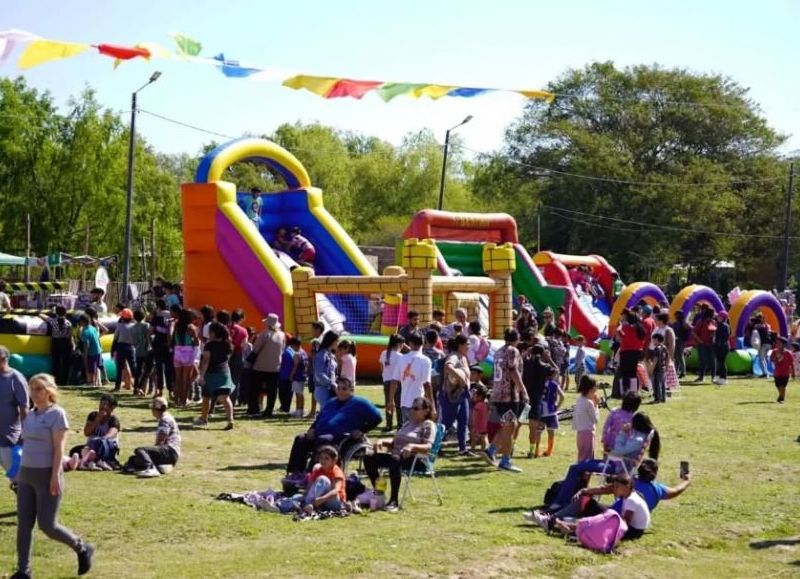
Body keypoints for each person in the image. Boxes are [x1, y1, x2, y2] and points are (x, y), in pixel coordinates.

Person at [14, 374, 94, 578]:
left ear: (49, 391)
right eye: (32, 389)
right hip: (26, 474)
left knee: (47, 526)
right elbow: (26, 445)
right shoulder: (31, 415)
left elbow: (58, 449)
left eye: (39, 389)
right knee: (23, 526)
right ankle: (24, 571)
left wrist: (55, 476)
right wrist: (17, 474)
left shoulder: (57, 414)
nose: (34, 393)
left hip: (46, 473)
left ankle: (82, 547)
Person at [548, 412, 661, 510]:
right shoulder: (641, 436)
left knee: (575, 468)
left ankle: (560, 502)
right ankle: (565, 499)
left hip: (617, 466)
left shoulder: (637, 439)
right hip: (618, 463)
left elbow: (618, 451)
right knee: (578, 467)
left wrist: (622, 433)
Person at [285, 376, 382, 476]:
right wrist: (312, 429)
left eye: (344, 389)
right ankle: (295, 473)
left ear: (351, 390)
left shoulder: (360, 403)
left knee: (324, 442)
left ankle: (311, 474)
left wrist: (362, 430)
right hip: (320, 435)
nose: (340, 391)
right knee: (300, 439)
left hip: (342, 438)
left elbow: (378, 418)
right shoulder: (331, 402)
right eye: (338, 388)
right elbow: (319, 419)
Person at [363, 396, 437, 512]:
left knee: (394, 460)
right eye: (411, 408)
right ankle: (379, 492)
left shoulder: (428, 425)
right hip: (396, 456)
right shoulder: (408, 423)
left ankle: (394, 501)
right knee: (369, 457)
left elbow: (428, 446)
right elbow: (395, 441)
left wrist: (412, 446)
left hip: (415, 459)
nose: (412, 411)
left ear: (426, 410)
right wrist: (382, 441)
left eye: (416, 408)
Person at [485, 328, 529, 472]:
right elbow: (513, 370)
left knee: (508, 425)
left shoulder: (498, 352)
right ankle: (505, 460)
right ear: (516, 338)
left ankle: (491, 450)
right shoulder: (512, 351)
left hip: (498, 394)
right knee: (510, 427)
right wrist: (523, 389)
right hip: (509, 395)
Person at [122, 397, 181, 478]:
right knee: (133, 459)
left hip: (169, 452)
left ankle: (150, 468)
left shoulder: (165, 420)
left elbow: (160, 442)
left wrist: (153, 452)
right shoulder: (165, 418)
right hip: (170, 453)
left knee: (140, 450)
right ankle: (150, 466)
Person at [388, 333, 435, 426]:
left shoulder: (402, 359)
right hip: (419, 404)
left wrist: (390, 400)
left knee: (407, 430)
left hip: (404, 402)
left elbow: (394, 381)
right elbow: (427, 384)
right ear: (423, 343)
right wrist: (432, 405)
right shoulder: (426, 360)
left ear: (409, 343)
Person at [195, 322, 235, 429]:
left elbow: (206, 361)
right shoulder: (227, 344)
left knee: (206, 397)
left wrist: (201, 375)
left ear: (213, 333)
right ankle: (230, 419)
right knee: (225, 398)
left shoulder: (209, 345)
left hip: (211, 374)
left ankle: (204, 418)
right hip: (225, 373)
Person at [248, 313, 286, 418]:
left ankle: (253, 408)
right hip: (275, 367)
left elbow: (256, 349)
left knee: (255, 388)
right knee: (272, 391)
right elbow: (282, 350)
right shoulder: (282, 335)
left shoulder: (264, 334)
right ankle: (269, 410)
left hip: (260, 366)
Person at [441, 335, 472, 456]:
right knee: (447, 423)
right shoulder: (453, 356)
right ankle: (434, 447)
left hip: (462, 394)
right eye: (467, 344)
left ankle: (463, 448)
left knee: (463, 421)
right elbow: (448, 366)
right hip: (452, 395)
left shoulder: (463, 357)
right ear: (460, 345)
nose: (469, 346)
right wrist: (460, 378)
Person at [71, 394, 121, 471]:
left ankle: (94, 461)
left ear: (112, 407)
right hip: (91, 447)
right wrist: (97, 419)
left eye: (105, 404)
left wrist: (97, 441)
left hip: (106, 448)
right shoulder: (93, 416)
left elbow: (110, 435)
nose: (102, 407)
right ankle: (91, 462)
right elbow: (87, 433)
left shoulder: (113, 420)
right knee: (75, 450)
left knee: (101, 442)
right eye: (101, 403)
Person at [524, 343, 556, 459]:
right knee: (533, 429)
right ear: (542, 354)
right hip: (536, 400)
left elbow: (522, 360)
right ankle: (531, 451)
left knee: (516, 426)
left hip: (524, 399)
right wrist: (549, 359)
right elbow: (556, 371)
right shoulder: (545, 366)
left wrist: (526, 353)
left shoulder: (526, 363)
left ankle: (511, 447)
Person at [0, 346, 28, 479]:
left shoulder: (15, 378)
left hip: (9, 438)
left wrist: (25, 432)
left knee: (17, 479)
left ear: (3, 359)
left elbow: (24, 408)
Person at [532, 366, 564, 458]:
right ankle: (549, 451)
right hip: (551, 411)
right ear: (553, 375)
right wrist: (557, 407)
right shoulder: (554, 384)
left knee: (538, 431)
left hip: (541, 411)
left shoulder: (540, 383)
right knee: (551, 432)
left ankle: (536, 451)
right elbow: (562, 396)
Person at [302, 446, 346, 513]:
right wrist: (304, 496)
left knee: (323, 479)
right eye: (321, 458)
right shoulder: (318, 470)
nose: (323, 461)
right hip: (320, 501)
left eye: (326, 458)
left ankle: (306, 505)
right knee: (298, 497)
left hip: (335, 502)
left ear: (334, 460)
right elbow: (309, 487)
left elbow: (336, 491)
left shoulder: (336, 471)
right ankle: (307, 505)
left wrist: (321, 499)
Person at [172, 309, 200, 407]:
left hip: (177, 351)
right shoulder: (191, 327)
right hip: (188, 351)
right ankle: (184, 401)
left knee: (178, 378)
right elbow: (196, 342)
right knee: (186, 379)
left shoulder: (176, 325)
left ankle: (176, 400)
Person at [40, 306, 73, 386]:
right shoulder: (69, 323)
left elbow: (41, 315)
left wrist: (50, 312)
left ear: (56, 313)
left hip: (56, 342)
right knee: (66, 363)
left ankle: (56, 380)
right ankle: (65, 381)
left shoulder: (53, 321)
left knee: (56, 362)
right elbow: (70, 335)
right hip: (66, 343)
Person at [601, 391, 642, 456]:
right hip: (624, 447)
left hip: (610, 444)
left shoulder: (614, 412)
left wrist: (604, 440)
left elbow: (606, 427)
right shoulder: (634, 417)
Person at [379, 334, 405, 431]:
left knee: (388, 403)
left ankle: (388, 424)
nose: (403, 346)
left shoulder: (384, 353)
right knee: (399, 404)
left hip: (387, 381)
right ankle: (400, 424)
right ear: (399, 344)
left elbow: (381, 366)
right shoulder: (401, 356)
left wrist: (384, 375)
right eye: (403, 344)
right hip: (398, 382)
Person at [149, 299, 173, 398]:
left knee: (159, 368)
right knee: (169, 369)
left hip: (158, 344)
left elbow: (150, 331)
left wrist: (150, 341)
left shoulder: (157, 317)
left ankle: (160, 391)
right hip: (169, 345)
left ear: (158, 306)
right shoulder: (171, 316)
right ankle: (171, 391)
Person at [617, 312, 646, 394]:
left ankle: (625, 391)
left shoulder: (625, 327)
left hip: (626, 351)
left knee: (625, 373)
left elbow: (619, 337)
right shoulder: (640, 328)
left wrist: (619, 325)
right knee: (633, 372)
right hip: (637, 352)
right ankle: (634, 391)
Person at [573, 376, 600, 461]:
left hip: (580, 433)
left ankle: (580, 473)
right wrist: (596, 405)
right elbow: (595, 419)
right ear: (592, 389)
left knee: (581, 457)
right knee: (587, 459)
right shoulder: (589, 403)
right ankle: (583, 474)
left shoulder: (579, 399)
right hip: (588, 433)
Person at [311, 330, 339, 411]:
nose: (338, 343)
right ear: (332, 341)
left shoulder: (330, 354)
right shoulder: (321, 355)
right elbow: (319, 373)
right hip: (323, 389)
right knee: (326, 414)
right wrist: (332, 384)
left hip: (329, 389)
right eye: (337, 341)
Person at [111, 308, 137, 392]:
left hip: (121, 346)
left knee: (119, 368)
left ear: (122, 318)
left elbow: (115, 338)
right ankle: (137, 387)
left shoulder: (120, 326)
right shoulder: (134, 326)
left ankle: (117, 387)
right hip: (131, 347)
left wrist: (112, 350)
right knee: (133, 367)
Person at [227, 309, 248, 404]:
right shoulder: (243, 331)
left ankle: (220, 400)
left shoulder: (225, 327)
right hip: (237, 355)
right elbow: (243, 345)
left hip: (224, 355)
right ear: (242, 318)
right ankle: (232, 400)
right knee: (235, 379)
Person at [130, 308, 152, 396]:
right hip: (147, 351)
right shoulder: (146, 325)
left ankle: (135, 388)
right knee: (147, 371)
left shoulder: (132, 328)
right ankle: (141, 387)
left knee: (138, 371)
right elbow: (148, 337)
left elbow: (133, 342)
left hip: (138, 351)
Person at [693, 308, 717, 383]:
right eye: (713, 313)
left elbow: (716, 331)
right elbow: (694, 332)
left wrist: (714, 336)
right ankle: (701, 377)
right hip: (702, 345)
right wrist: (700, 341)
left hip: (711, 344)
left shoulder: (713, 322)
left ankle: (713, 377)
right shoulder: (701, 322)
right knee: (702, 361)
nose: (714, 315)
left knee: (712, 361)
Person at [306, 321, 325, 418]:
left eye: (312, 329)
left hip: (316, 371)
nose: (311, 331)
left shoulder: (316, 341)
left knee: (315, 390)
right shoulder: (324, 340)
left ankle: (313, 412)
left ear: (318, 330)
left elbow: (315, 356)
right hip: (319, 370)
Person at [77, 314, 102, 387]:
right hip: (98, 350)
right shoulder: (92, 328)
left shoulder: (86, 332)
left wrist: (85, 354)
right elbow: (97, 337)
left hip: (92, 352)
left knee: (90, 367)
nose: (79, 323)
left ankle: (91, 382)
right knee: (95, 367)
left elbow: (87, 344)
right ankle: (94, 382)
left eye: (80, 321)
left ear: (83, 322)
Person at [289, 337, 309, 418]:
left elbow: (295, 365)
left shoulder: (296, 354)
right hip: (303, 376)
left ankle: (298, 411)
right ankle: (301, 410)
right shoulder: (304, 352)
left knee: (298, 395)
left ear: (294, 345)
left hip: (297, 377)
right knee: (301, 394)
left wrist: (291, 375)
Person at [770, 336, 794, 404]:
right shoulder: (774, 351)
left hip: (785, 373)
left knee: (782, 386)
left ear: (783, 344)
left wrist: (793, 372)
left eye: (779, 343)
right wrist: (776, 358)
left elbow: (791, 362)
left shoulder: (788, 353)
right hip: (777, 372)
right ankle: (781, 396)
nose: (777, 344)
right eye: (776, 343)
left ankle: (781, 398)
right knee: (778, 385)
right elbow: (771, 359)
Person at [713, 311, 731, 386]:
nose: (717, 318)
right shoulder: (719, 325)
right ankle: (721, 378)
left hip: (723, 347)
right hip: (719, 346)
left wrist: (719, 344)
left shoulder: (724, 326)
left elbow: (725, 337)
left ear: (723, 318)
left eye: (719, 317)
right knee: (720, 363)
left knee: (722, 363)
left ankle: (724, 379)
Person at [672, 310, 692, 379]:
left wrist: (683, 338)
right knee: (676, 356)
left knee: (680, 356)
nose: (676, 316)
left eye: (677, 315)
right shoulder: (676, 323)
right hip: (676, 341)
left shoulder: (684, 323)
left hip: (681, 341)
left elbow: (689, 331)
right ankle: (676, 371)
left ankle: (683, 372)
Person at [469, 383, 489, 451]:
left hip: (478, 426)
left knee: (474, 438)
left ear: (480, 396)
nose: (473, 397)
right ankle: (484, 450)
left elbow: (474, 416)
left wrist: (473, 425)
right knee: (484, 439)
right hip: (485, 426)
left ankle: (472, 449)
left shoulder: (477, 406)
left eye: (475, 395)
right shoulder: (486, 404)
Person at [651, 334, 668, 404]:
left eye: (653, 340)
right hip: (663, 368)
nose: (652, 341)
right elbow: (667, 358)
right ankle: (663, 398)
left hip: (657, 369)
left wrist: (651, 369)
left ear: (657, 340)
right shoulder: (664, 347)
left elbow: (655, 360)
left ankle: (657, 399)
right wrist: (666, 367)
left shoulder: (657, 349)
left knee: (657, 384)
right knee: (663, 384)